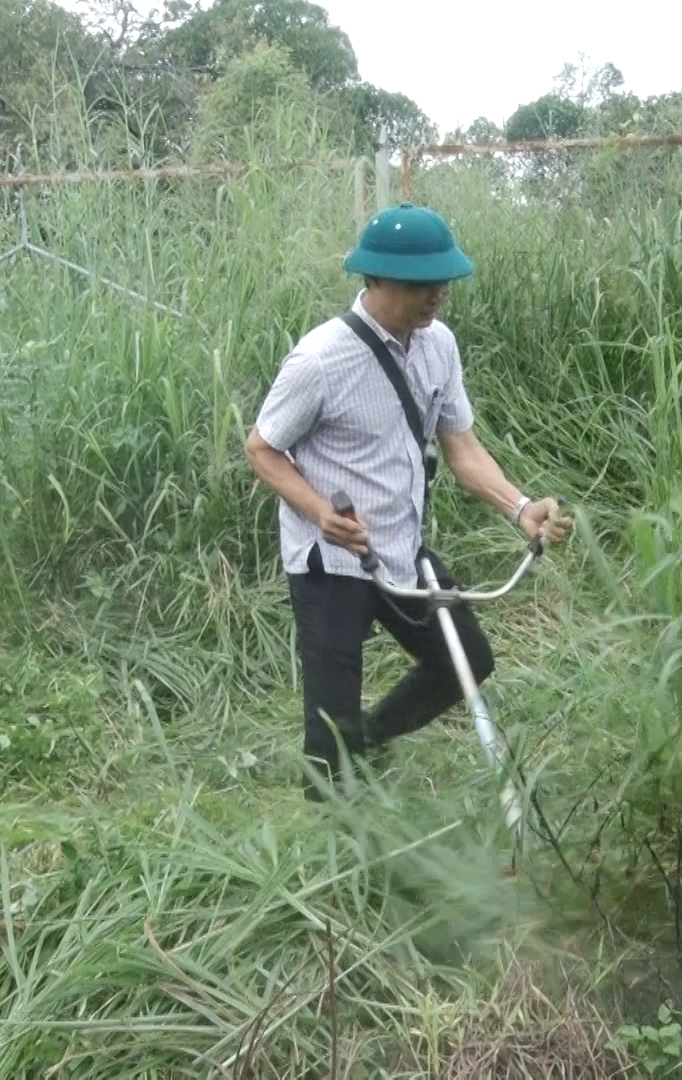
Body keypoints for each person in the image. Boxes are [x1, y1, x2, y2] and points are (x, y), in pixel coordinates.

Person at [243, 202, 571, 801]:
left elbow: (462, 450)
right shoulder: (319, 360)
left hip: (402, 549)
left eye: (443, 280)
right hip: (332, 560)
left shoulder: (438, 346)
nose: (437, 294)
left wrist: (520, 508)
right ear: (376, 279)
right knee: (329, 727)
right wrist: (320, 512)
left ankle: (368, 742)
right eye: (422, 283)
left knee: (465, 660)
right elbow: (262, 449)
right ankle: (333, 829)